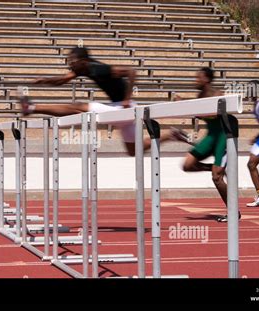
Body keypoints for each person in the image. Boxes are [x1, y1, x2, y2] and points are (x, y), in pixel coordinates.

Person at [19, 46, 150, 156]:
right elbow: (62, 80)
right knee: (133, 151)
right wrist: (43, 80)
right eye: (69, 61)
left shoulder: (100, 69)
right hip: (121, 111)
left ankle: (31, 108)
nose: (70, 64)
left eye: (72, 61)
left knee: (78, 107)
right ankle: (170, 135)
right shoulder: (83, 69)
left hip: (125, 108)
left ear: (83, 61)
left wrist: (127, 99)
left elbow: (131, 71)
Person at [166, 67, 238, 222]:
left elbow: (213, 113)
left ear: (206, 79)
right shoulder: (200, 95)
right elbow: (196, 108)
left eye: (198, 78)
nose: (195, 81)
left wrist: (185, 105)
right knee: (187, 165)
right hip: (212, 135)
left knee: (216, 178)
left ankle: (233, 212)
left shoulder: (217, 93)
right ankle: (212, 167)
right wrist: (183, 103)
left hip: (225, 136)